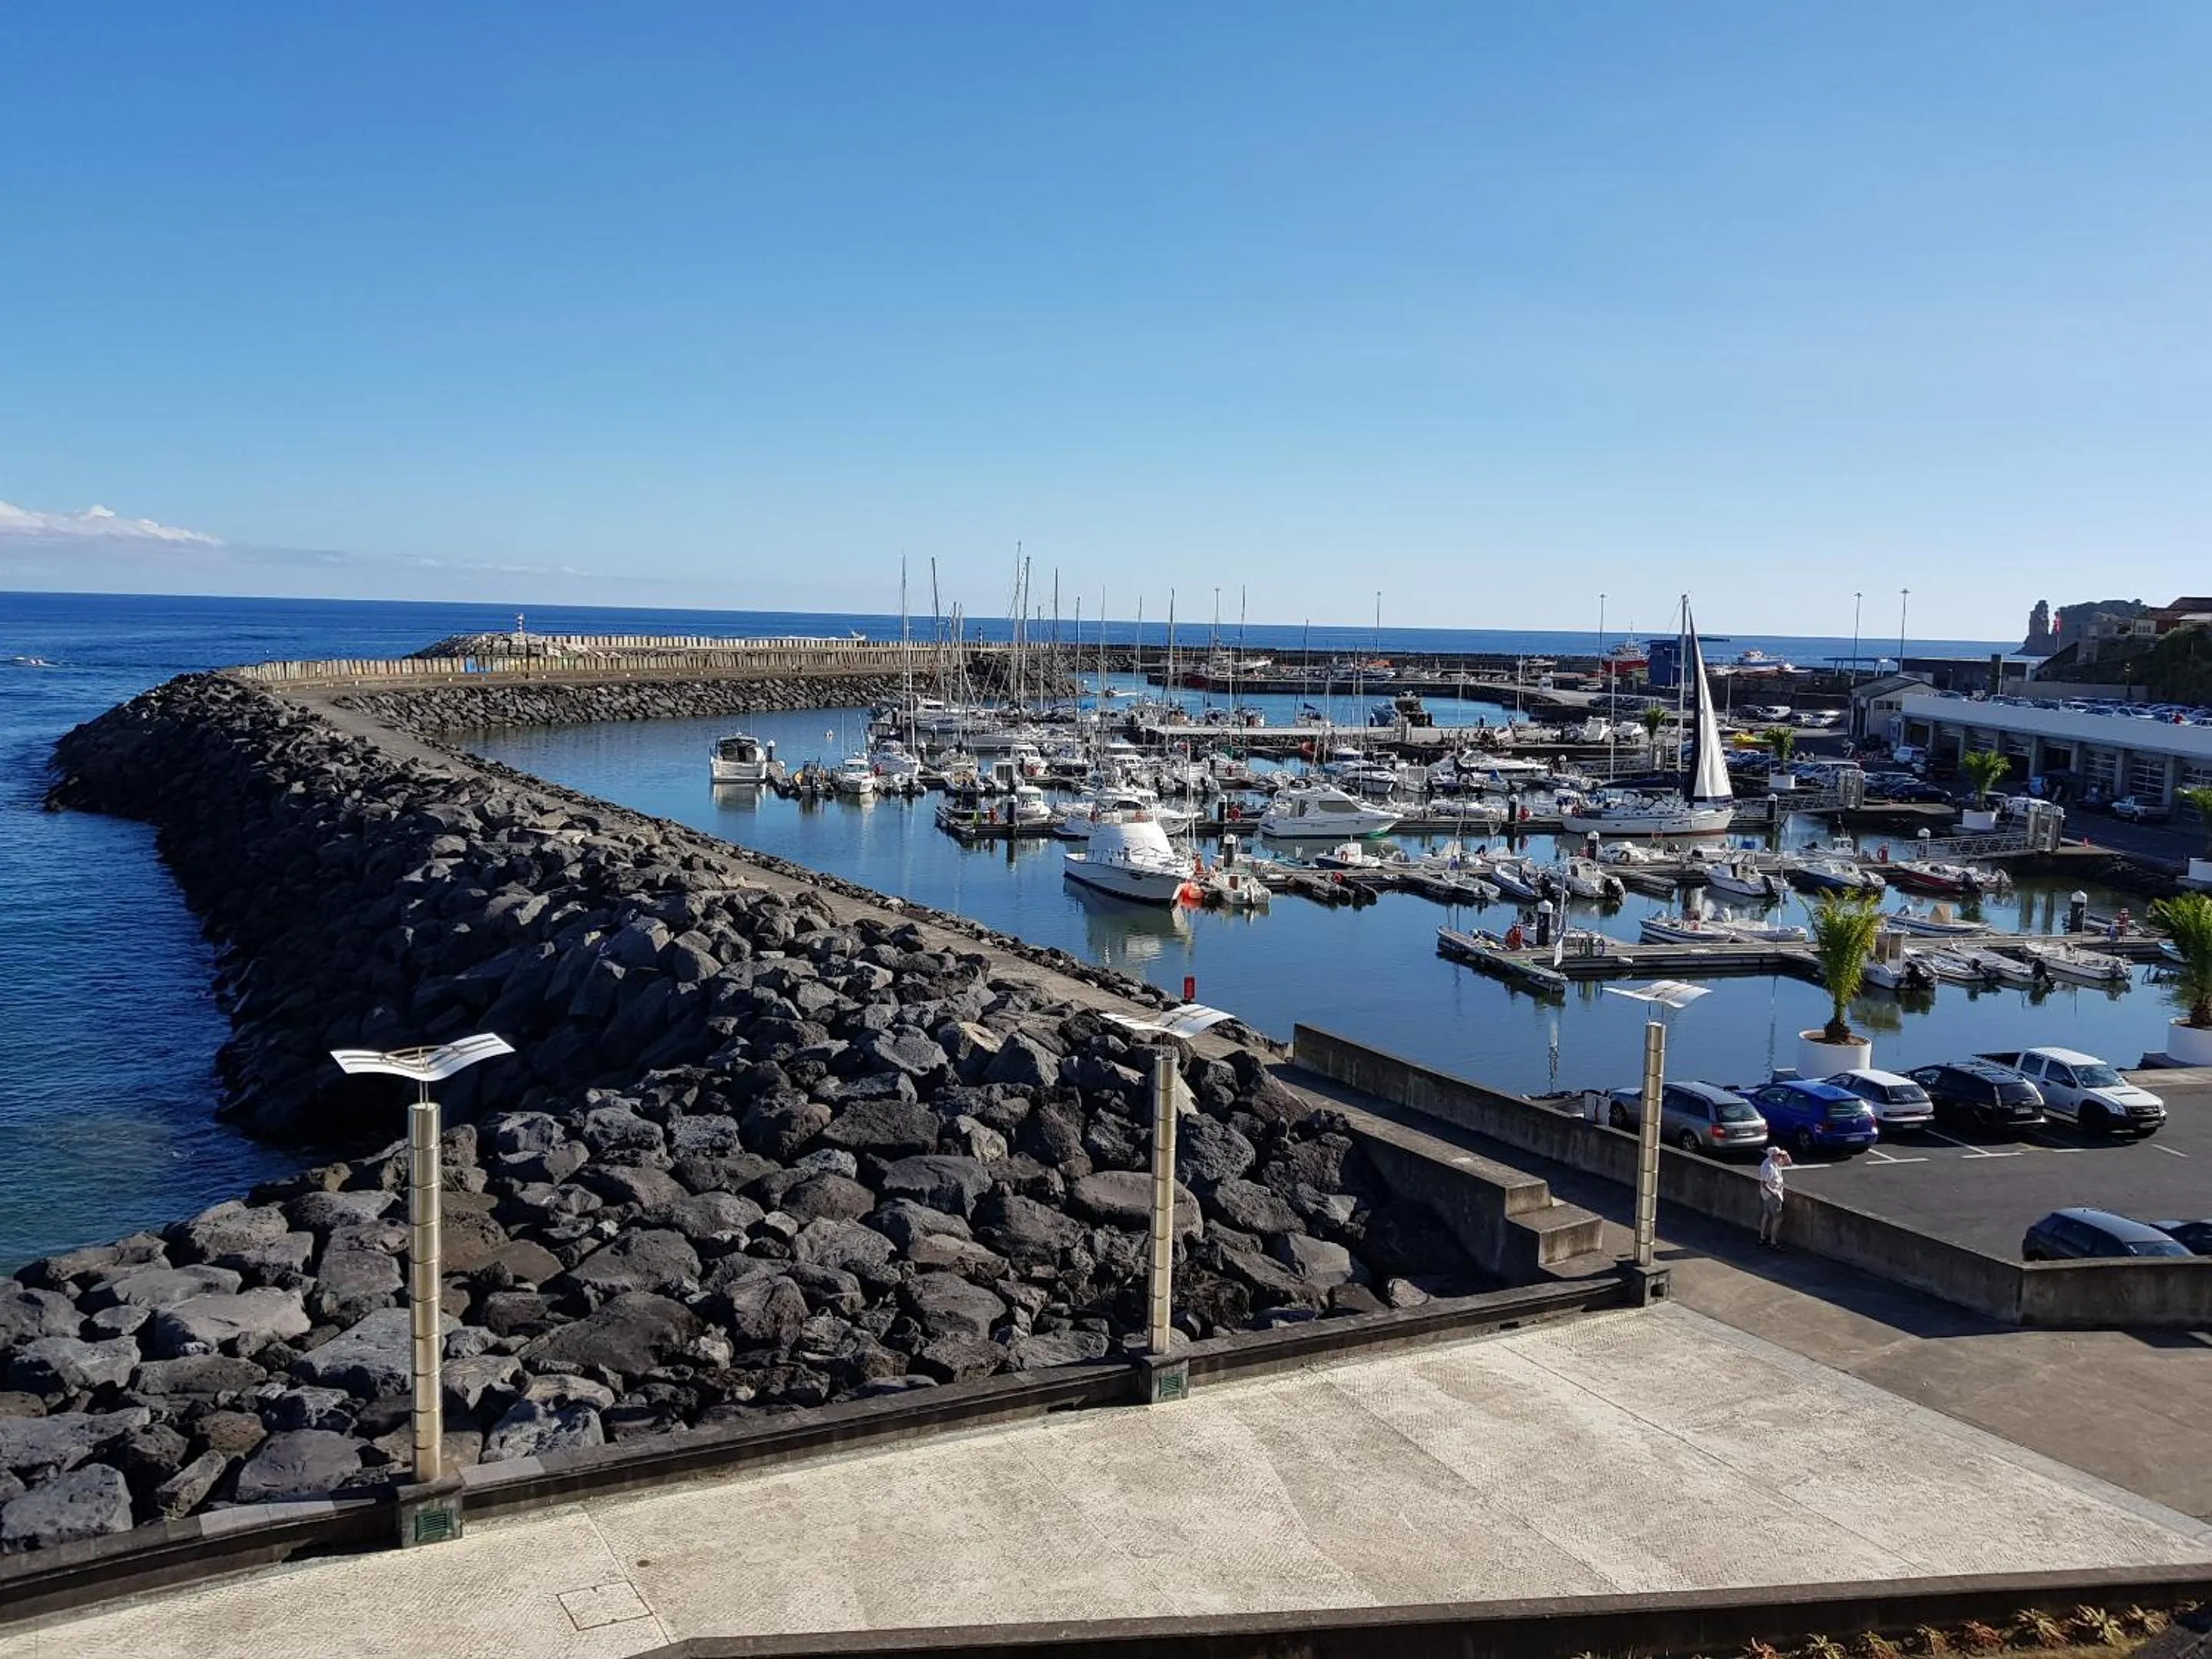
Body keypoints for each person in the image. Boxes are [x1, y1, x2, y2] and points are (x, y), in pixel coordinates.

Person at [1757, 1145, 1793, 1247]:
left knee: (1766, 1214)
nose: (1781, 1157)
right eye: (1779, 1155)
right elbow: (1764, 1184)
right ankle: (1773, 1241)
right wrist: (1775, 1193)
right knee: (1778, 1218)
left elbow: (1789, 1163)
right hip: (1773, 1197)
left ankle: (1762, 1237)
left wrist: (1786, 1154)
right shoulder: (1770, 1168)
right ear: (1773, 1156)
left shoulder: (1769, 1162)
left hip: (1766, 1196)